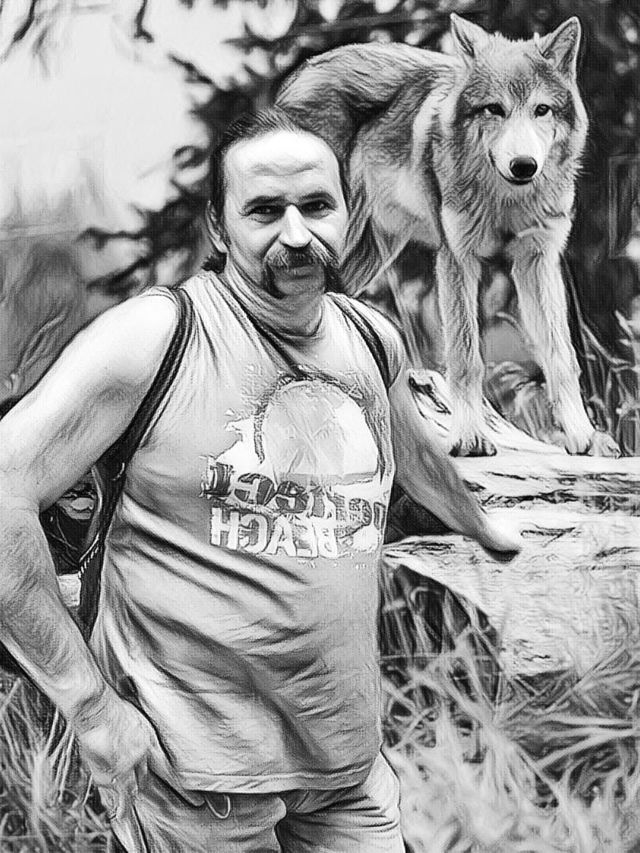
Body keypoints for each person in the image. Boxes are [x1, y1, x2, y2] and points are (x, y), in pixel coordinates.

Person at [0, 107, 520, 852]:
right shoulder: (156, 338)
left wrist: (483, 526)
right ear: (219, 227)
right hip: (194, 782)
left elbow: (412, 453)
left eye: (316, 206)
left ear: (348, 210)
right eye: (266, 211)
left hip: (347, 771)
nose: (297, 235)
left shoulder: (370, 338)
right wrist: (90, 709)